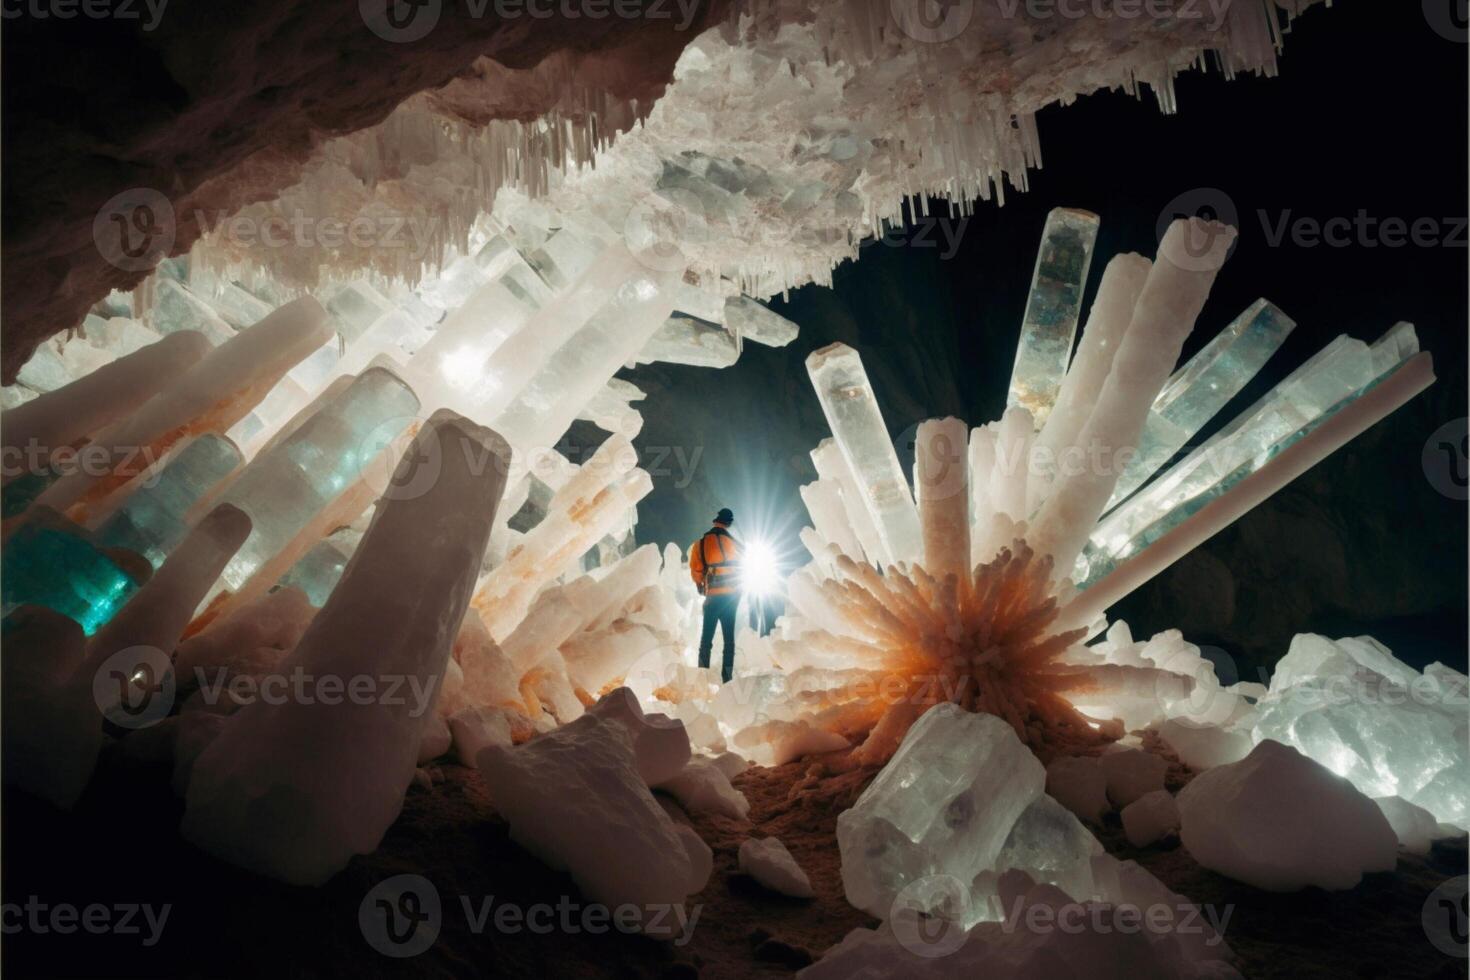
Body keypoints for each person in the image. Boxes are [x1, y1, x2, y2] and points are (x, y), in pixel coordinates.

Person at [689, 507, 740, 683]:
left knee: (706, 641)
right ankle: (727, 679)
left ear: (715, 521)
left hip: (712, 598)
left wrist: (700, 585)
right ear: (729, 523)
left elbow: (696, 571)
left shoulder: (700, 544)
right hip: (731, 599)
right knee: (729, 643)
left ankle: (702, 679)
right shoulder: (735, 544)